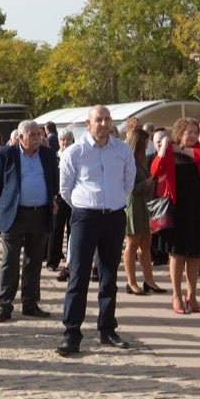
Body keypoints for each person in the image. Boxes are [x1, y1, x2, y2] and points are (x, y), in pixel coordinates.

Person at [55, 105, 136, 357]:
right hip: (85, 217)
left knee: (109, 275)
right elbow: (66, 189)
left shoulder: (122, 150)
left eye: (107, 119)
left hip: (113, 216)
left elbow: (128, 182)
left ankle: (107, 329)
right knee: (78, 276)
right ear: (88, 123)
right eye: (98, 120)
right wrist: (87, 205)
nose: (103, 124)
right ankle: (71, 333)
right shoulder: (74, 152)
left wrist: (111, 203)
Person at [0, 118, 56, 323]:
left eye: (39, 134)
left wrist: (51, 200)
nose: (37, 138)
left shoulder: (48, 154)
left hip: (39, 214)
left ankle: (29, 303)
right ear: (20, 137)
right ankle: (4, 305)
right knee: (10, 261)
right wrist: (7, 205)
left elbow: (53, 180)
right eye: (32, 135)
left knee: (34, 261)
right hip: (15, 215)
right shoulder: (6, 154)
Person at [152, 118, 200, 314]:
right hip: (176, 207)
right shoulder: (170, 150)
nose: (194, 136)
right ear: (179, 133)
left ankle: (192, 294)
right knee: (177, 254)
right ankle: (177, 295)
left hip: (196, 208)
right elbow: (155, 170)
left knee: (195, 254)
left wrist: (183, 150)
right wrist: (163, 151)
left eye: (196, 132)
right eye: (189, 132)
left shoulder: (198, 150)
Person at [122, 119, 162, 297]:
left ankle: (149, 280)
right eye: (146, 143)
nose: (148, 146)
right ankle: (131, 282)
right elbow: (127, 187)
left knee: (146, 243)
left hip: (146, 206)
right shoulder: (129, 161)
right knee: (132, 244)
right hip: (133, 206)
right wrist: (147, 183)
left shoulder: (142, 160)